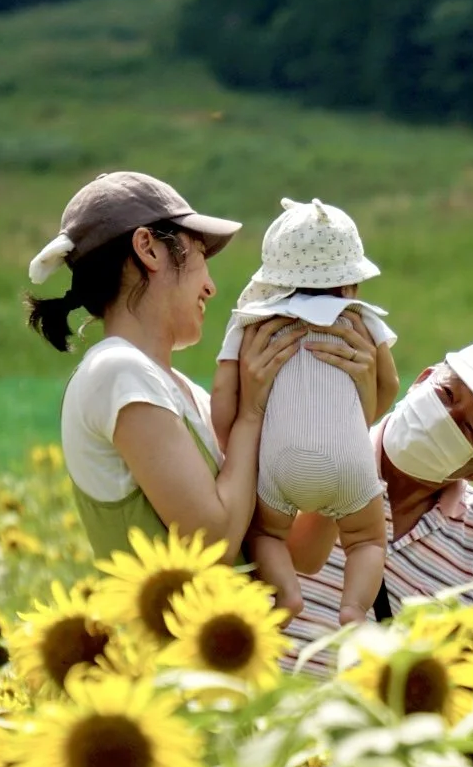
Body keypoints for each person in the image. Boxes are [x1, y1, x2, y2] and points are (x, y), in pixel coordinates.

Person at [21, 171, 378, 562]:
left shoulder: (185, 394)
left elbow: (301, 555)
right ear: (148, 249)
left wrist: (351, 418)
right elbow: (215, 542)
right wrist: (250, 414)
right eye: (200, 256)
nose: (211, 286)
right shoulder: (117, 372)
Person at [281, 339, 473, 674]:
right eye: (447, 394)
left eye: (468, 429)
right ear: (422, 379)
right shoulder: (304, 449)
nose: (446, 417)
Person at [212, 198, 400, 624]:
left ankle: (287, 597)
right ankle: (353, 609)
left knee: (266, 534)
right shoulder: (362, 320)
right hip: (350, 464)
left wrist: (232, 442)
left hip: (280, 464)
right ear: (351, 284)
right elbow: (388, 384)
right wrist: (354, 421)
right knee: (367, 541)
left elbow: (223, 396)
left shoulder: (251, 323)